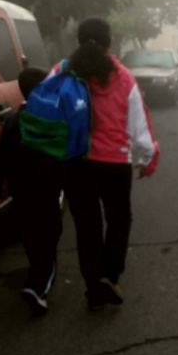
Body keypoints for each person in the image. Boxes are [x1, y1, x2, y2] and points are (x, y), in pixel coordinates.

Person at [60, 17, 160, 311]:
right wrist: (148, 158)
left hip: (76, 161)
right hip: (114, 162)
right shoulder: (124, 77)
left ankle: (93, 284)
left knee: (86, 225)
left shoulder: (63, 72)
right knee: (118, 219)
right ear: (110, 43)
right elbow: (139, 125)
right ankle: (110, 277)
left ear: (78, 41)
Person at [0, 67, 64, 315]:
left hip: (19, 191)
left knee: (31, 235)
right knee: (50, 234)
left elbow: (0, 157)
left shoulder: (13, 120)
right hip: (46, 191)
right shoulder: (51, 119)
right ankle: (37, 287)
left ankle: (36, 273)